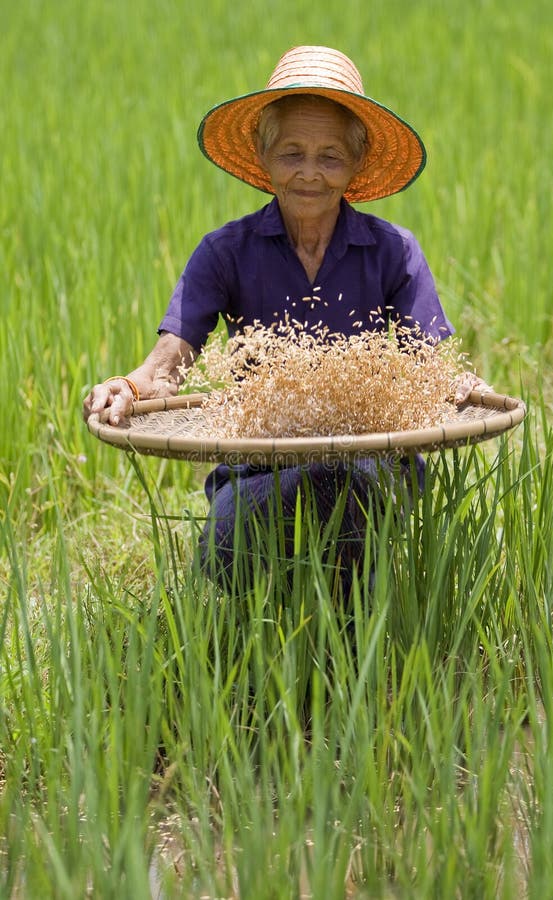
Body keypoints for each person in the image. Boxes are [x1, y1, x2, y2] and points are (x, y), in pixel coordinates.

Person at [83, 45, 486, 594]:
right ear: (263, 154)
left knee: (343, 490)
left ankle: (354, 656)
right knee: (231, 545)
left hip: (370, 468)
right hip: (257, 470)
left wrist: (457, 384)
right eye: (292, 152)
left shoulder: (393, 251)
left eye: (330, 156)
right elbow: (169, 362)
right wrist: (126, 387)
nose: (310, 174)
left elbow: (429, 368)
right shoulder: (225, 252)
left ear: (357, 163)